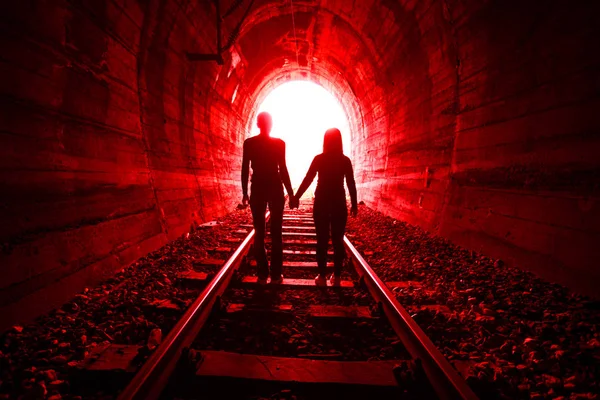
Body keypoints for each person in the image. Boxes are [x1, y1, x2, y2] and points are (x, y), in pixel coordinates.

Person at [292, 128, 357, 286]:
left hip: (321, 202)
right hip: (338, 202)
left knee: (321, 240)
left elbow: (308, 179)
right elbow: (350, 183)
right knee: (337, 240)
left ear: (325, 141)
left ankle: (321, 277)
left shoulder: (319, 159)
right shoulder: (345, 160)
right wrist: (354, 204)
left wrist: (296, 197)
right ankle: (337, 277)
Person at [242, 112, 295, 284]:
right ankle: (276, 275)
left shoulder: (249, 143)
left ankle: (263, 273)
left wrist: (245, 192)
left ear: (258, 124)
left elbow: (244, 169)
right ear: (271, 124)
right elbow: (284, 169)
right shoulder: (279, 144)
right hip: (274, 185)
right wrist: (291, 192)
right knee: (277, 232)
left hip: (257, 186)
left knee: (259, 231)